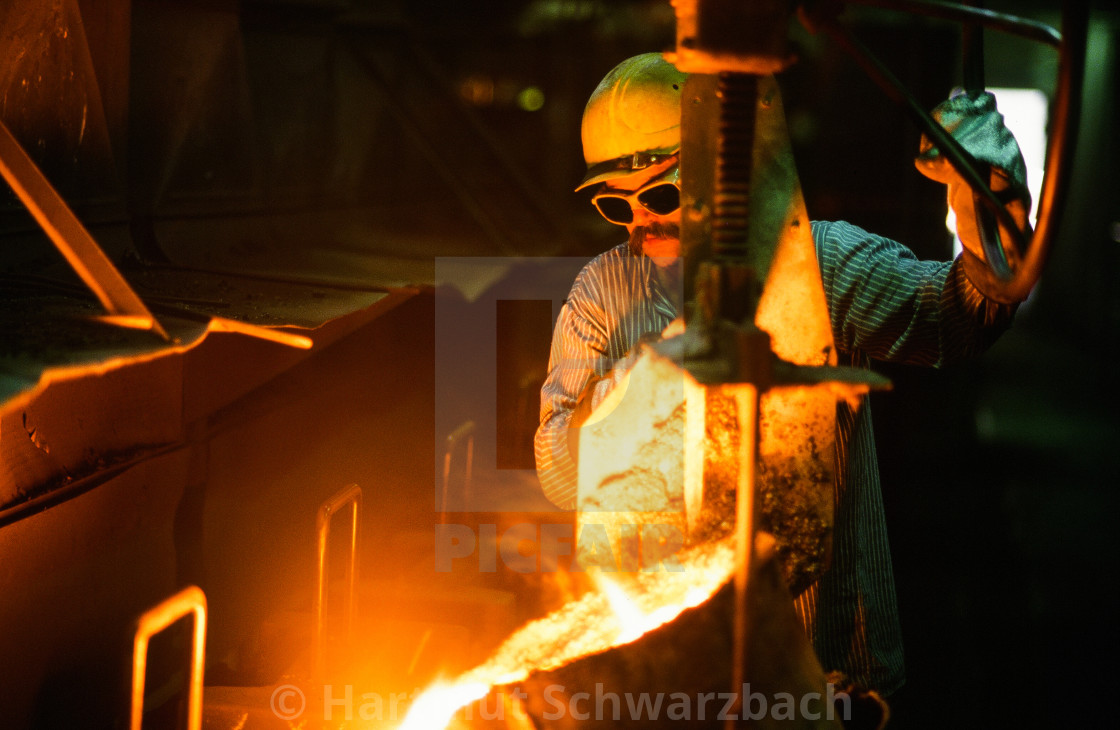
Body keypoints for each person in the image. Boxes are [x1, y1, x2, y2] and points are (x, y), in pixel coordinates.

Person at [534, 53, 1031, 696]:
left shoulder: (816, 266)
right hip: (665, 684)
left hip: (826, 675)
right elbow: (556, 467)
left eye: (661, 194)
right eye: (613, 203)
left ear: (718, 174)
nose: (639, 222)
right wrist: (647, 379)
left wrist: (993, 235)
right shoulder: (603, 294)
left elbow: (957, 320)